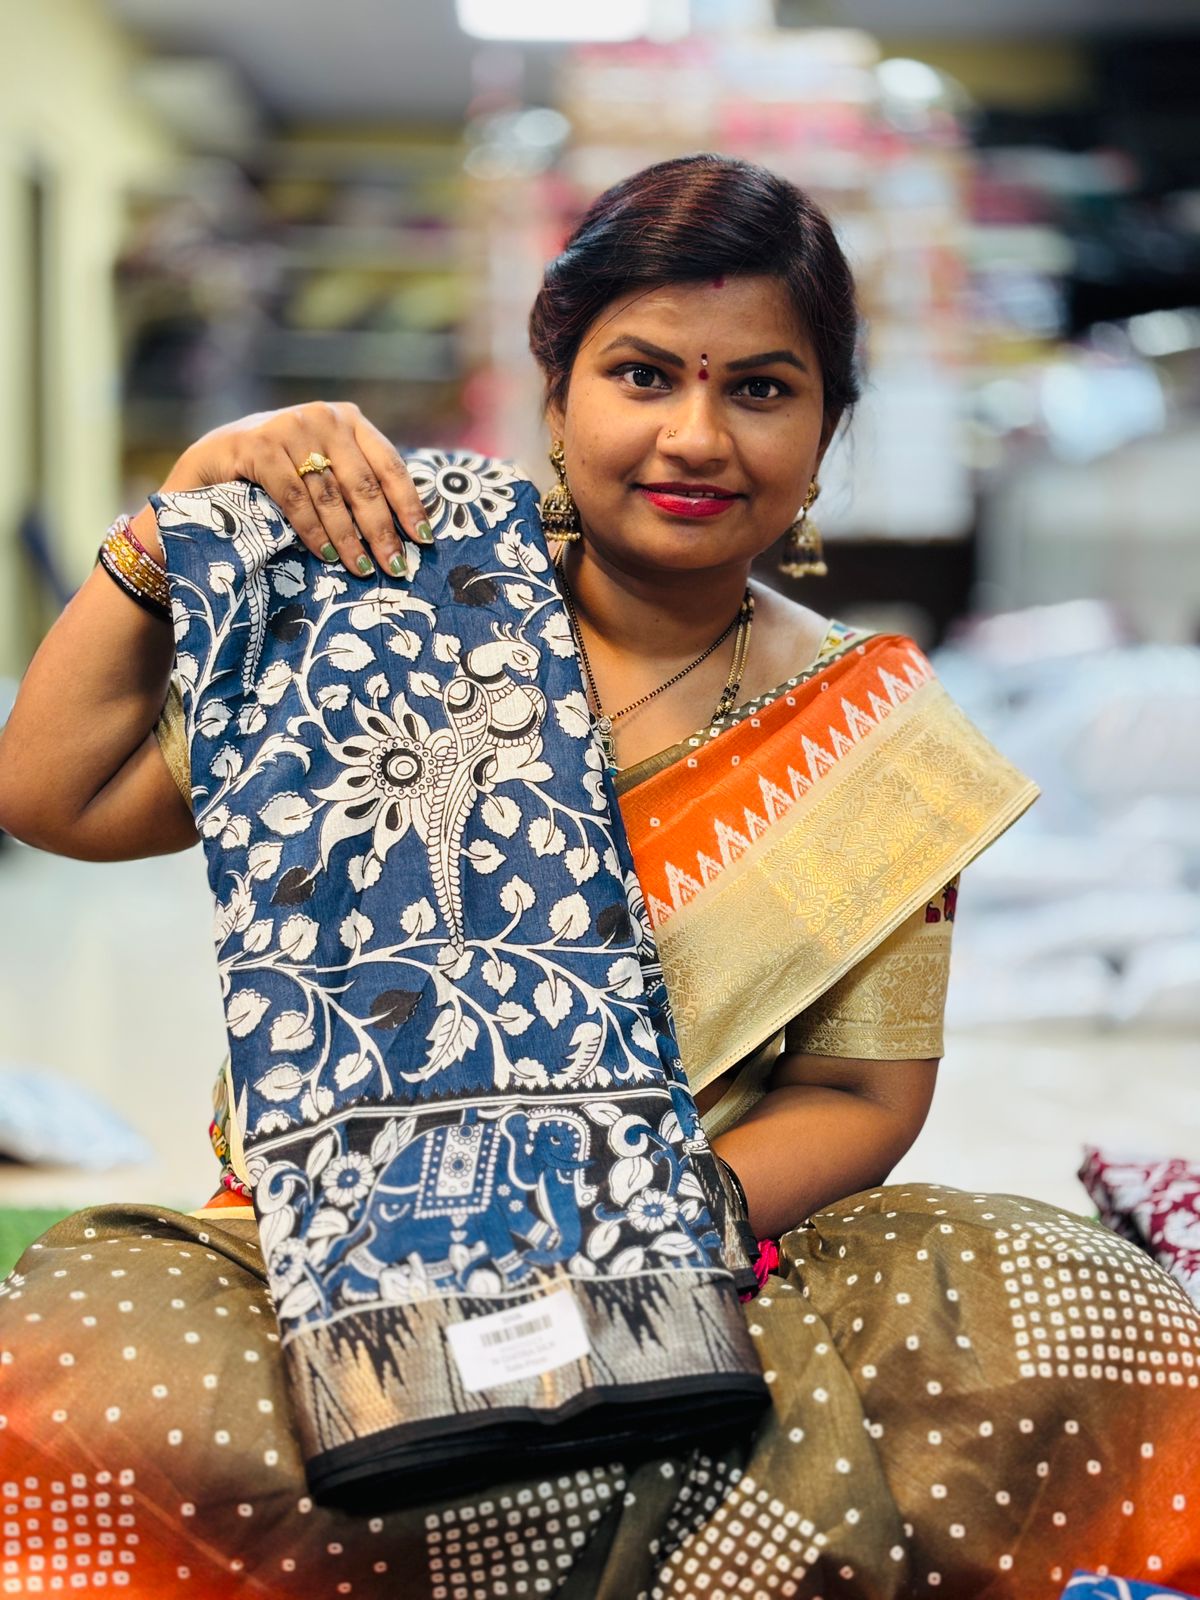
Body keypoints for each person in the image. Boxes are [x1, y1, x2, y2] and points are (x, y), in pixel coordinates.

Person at [0, 154, 1197, 1598]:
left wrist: (614, 1228)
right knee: (89, 1364)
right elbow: (55, 796)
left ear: (828, 432)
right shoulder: (392, 603)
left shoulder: (874, 730)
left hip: (693, 1252)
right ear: (556, 395)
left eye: (761, 389)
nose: (696, 437)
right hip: (331, 1252)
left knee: (1081, 1323)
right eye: (643, 376)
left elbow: (861, 1098)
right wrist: (173, 518)